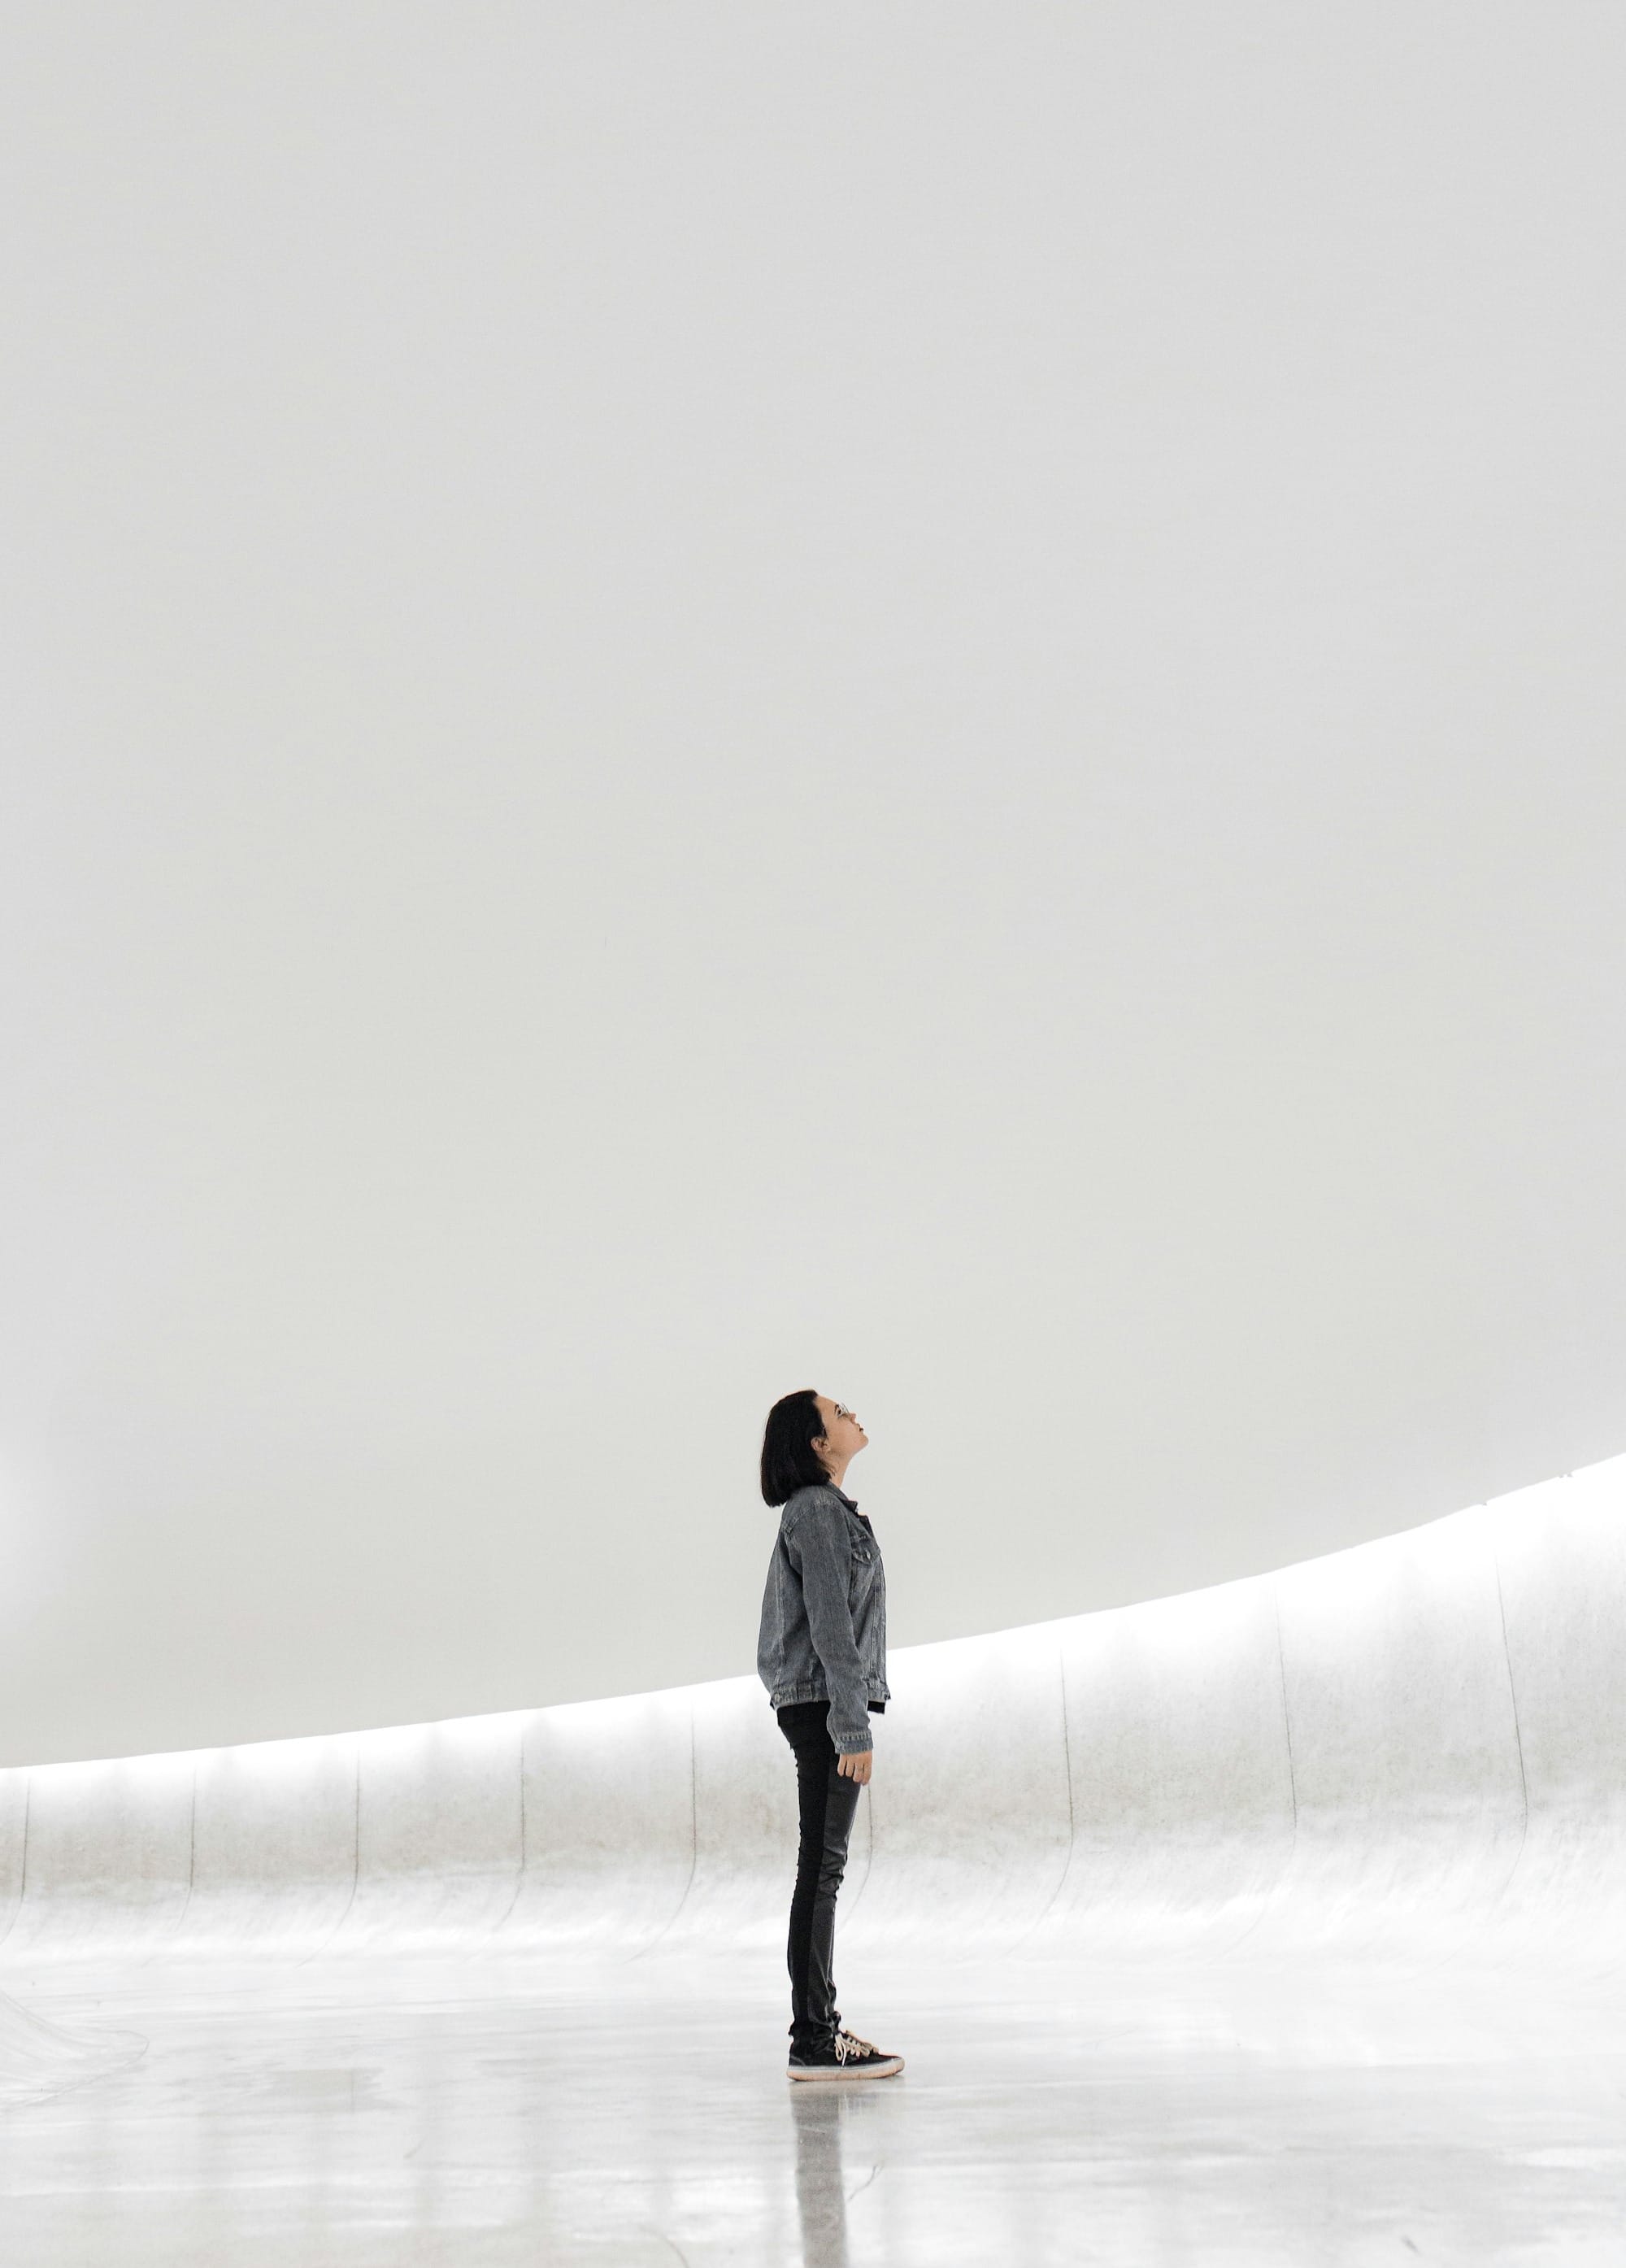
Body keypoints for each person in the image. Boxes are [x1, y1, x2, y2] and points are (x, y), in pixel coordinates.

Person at [757, 1388, 904, 2081]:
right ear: (818, 1443)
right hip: (822, 1703)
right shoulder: (816, 1510)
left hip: (820, 1699)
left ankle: (817, 2030)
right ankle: (814, 2037)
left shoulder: (826, 1509)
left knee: (821, 1866)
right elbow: (830, 1623)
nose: (853, 1414)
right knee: (822, 1869)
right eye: (839, 1412)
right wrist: (851, 1724)